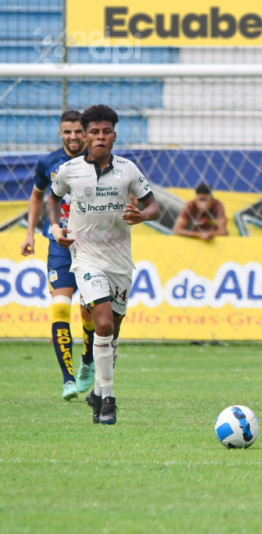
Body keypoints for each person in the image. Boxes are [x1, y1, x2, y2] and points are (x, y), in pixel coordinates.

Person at [47, 105, 161, 425]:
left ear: (114, 134)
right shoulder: (69, 170)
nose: (100, 137)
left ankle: (97, 392)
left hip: (120, 262)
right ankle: (109, 399)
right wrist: (57, 229)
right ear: (84, 136)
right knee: (104, 323)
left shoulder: (128, 170)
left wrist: (142, 215)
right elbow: (53, 198)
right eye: (94, 132)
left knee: (112, 333)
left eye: (105, 131)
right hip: (85, 259)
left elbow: (154, 206)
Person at [20, 110, 96, 401]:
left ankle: (87, 360)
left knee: (88, 309)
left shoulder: (97, 160)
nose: (74, 137)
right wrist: (30, 233)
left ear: (85, 132)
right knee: (60, 308)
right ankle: (67, 379)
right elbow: (38, 195)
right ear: (60, 133)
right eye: (68, 132)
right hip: (59, 245)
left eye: (78, 132)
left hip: (91, 246)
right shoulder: (48, 163)